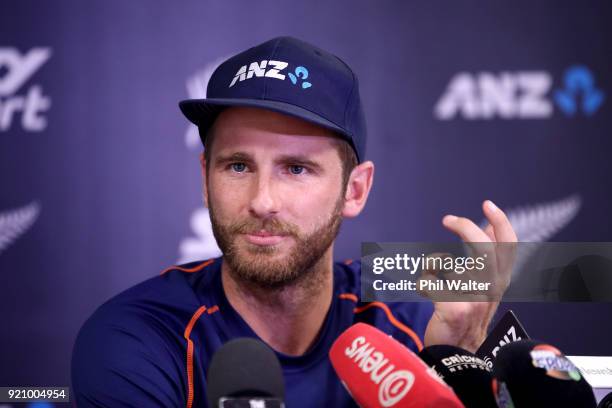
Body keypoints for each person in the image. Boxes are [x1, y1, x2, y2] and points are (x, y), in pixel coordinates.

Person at [71, 36, 517, 407]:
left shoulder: (416, 330)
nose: (263, 201)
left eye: (297, 168)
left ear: (354, 190)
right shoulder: (138, 338)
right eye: (238, 166)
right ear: (206, 180)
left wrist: (454, 367)